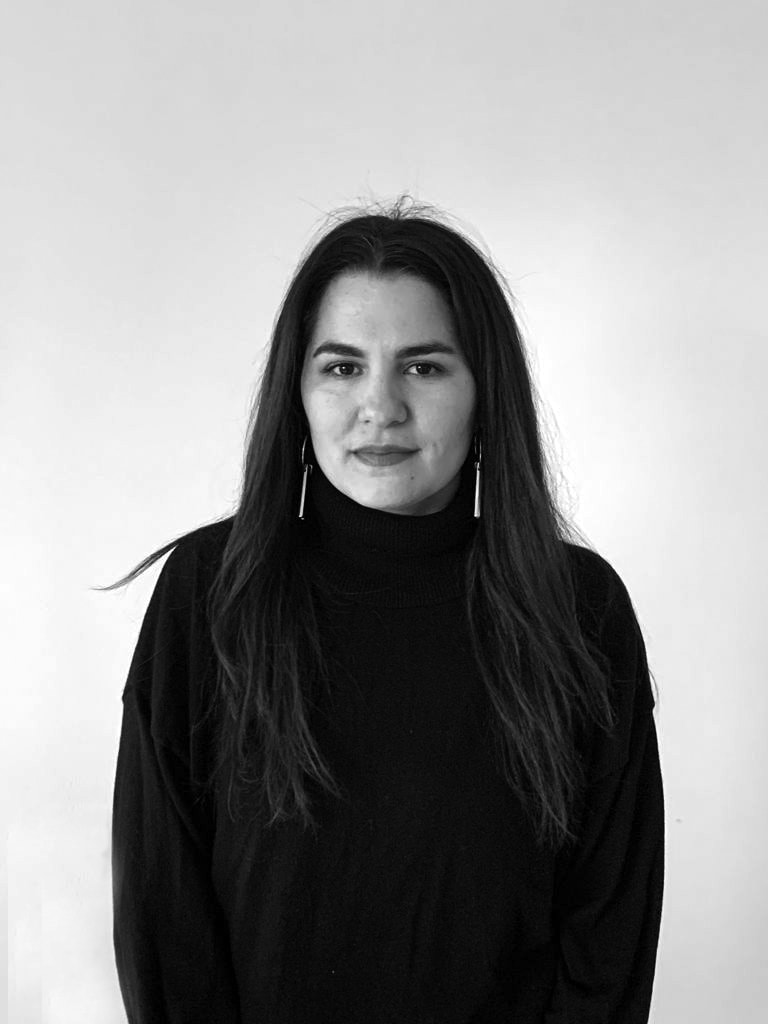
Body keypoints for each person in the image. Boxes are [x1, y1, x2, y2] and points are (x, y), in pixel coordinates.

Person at [105, 196, 665, 1023]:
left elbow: (607, 938)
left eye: (423, 367)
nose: (380, 406)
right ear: (296, 393)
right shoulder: (213, 592)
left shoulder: (578, 610)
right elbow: (165, 921)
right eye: (341, 367)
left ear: (484, 393)